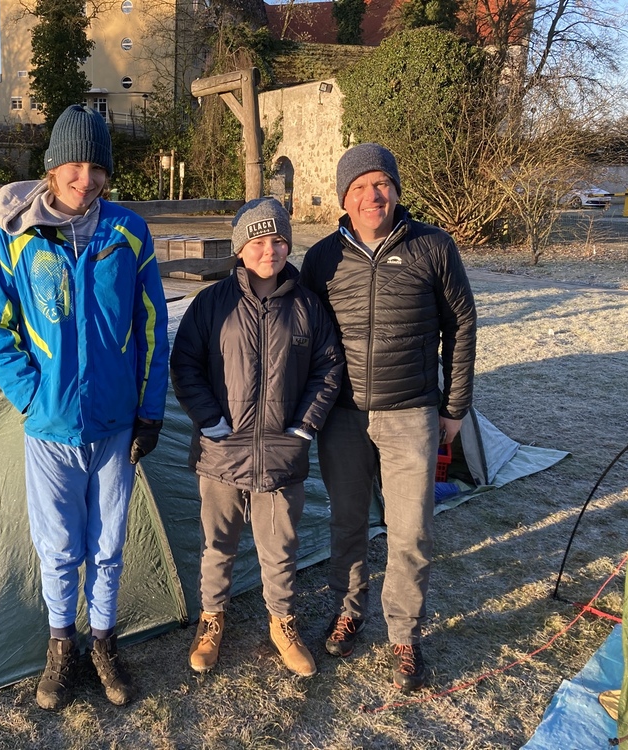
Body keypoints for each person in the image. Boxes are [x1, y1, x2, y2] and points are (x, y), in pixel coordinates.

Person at [0, 104, 169, 711]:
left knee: (108, 545)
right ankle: (61, 645)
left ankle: (103, 643)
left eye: (97, 168)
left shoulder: (127, 233)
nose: (87, 180)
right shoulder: (14, 236)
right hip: (50, 427)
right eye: (75, 167)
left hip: (115, 426)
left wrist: (150, 411)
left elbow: (152, 326)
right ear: (54, 167)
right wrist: (31, 395)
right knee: (58, 547)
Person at [300, 143, 477, 692]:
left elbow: (462, 325)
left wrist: (455, 407)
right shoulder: (322, 259)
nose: (371, 195)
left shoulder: (433, 246)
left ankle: (404, 632)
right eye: (358, 188)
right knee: (347, 522)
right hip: (343, 417)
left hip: (412, 413)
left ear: (396, 190)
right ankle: (348, 609)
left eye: (381, 184)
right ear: (344, 199)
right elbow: (304, 336)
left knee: (411, 531)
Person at [170, 197, 344, 678]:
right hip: (221, 452)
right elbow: (185, 364)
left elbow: (329, 368)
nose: (270, 250)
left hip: (282, 455)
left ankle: (282, 623)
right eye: (259, 241)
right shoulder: (212, 303)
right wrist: (209, 420)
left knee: (279, 548)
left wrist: (303, 426)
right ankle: (211, 620)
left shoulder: (307, 306)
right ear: (240, 248)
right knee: (217, 544)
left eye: (279, 240)